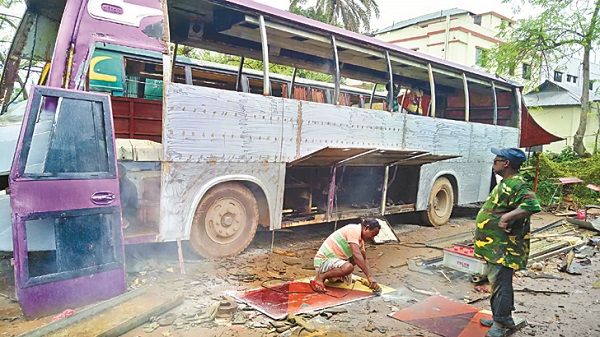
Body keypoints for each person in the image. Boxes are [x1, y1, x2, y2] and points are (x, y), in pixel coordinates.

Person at [474, 148, 541, 337]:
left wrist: (505, 218)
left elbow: (532, 205)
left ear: (506, 163)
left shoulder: (517, 184)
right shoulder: (507, 182)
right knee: (500, 283)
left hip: (503, 248)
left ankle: (501, 322)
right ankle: (504, 317)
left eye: (497, 160)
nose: (493, 162)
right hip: (494, 246)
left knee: (500, 284)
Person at [311, 218, 381, 293]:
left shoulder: (360, 240)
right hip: (323, 261)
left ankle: (335, 276)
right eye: (373, 234)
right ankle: (320, 277)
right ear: (366, 228)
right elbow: (356, 255)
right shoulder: (353, 230)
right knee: (349, 267)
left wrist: (370, 277)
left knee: (357, 259)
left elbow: (364, 258)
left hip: (333, 262)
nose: (372, 238)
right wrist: (369, 277)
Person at [118, 163, 139, 229]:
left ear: (121, 174)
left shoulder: (129, 186)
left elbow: (133, 206)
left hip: (126, 223)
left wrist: (126, 219)